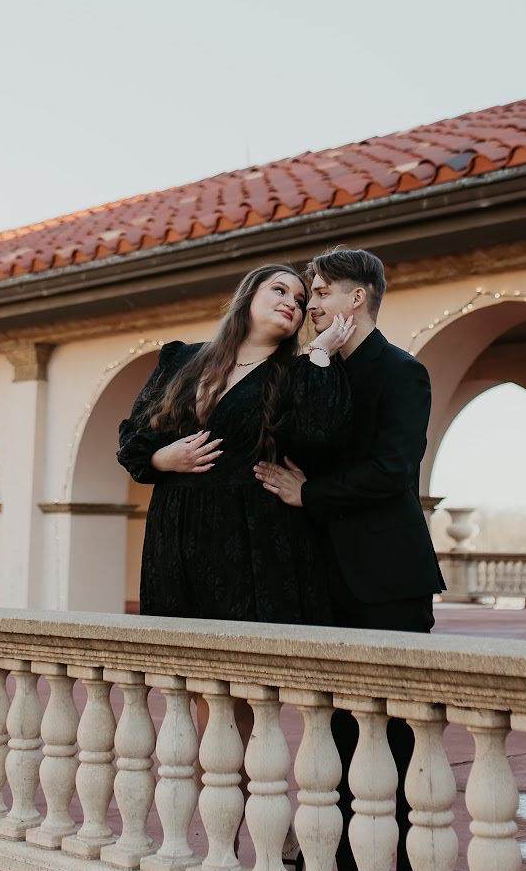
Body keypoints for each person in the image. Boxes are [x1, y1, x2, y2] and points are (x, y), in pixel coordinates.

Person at [254, 246, 442, 871]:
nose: (311, 306)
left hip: (387, 579)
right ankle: (335, 865)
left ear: (355, 298)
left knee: (398, 733)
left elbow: (392, 471)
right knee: (329, 731)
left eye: (321, 293)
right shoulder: (312, 368)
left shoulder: (401, 373)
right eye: (310, 295)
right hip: (317, 578)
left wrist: (311, 496)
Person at [116, 262, 354, 624]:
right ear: (248, 296)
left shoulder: (296, 373)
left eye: (300, 299)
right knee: (180, 660)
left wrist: (320, 352)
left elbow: (322, 433)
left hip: (253, 539)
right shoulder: (182, 359)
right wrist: (163, 459)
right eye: (279, 290)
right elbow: (133, 437)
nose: (293, 302)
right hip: (174, 535)